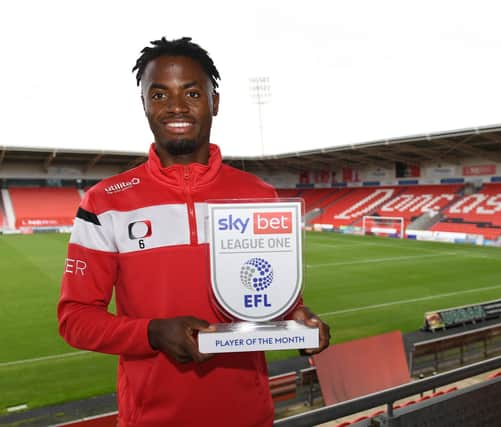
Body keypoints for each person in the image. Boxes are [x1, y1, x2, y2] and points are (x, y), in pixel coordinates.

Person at [57, 37, 330, 427]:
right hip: (152, 421)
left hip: (248, 417)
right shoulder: (104, 203)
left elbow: (280, 304)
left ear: (214, 102)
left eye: (191, 92)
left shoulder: (260, 197)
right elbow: (76, 319)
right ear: (145, 106)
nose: (176, 107)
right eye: (159, 94)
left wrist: (301, 325)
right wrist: (152, 332)